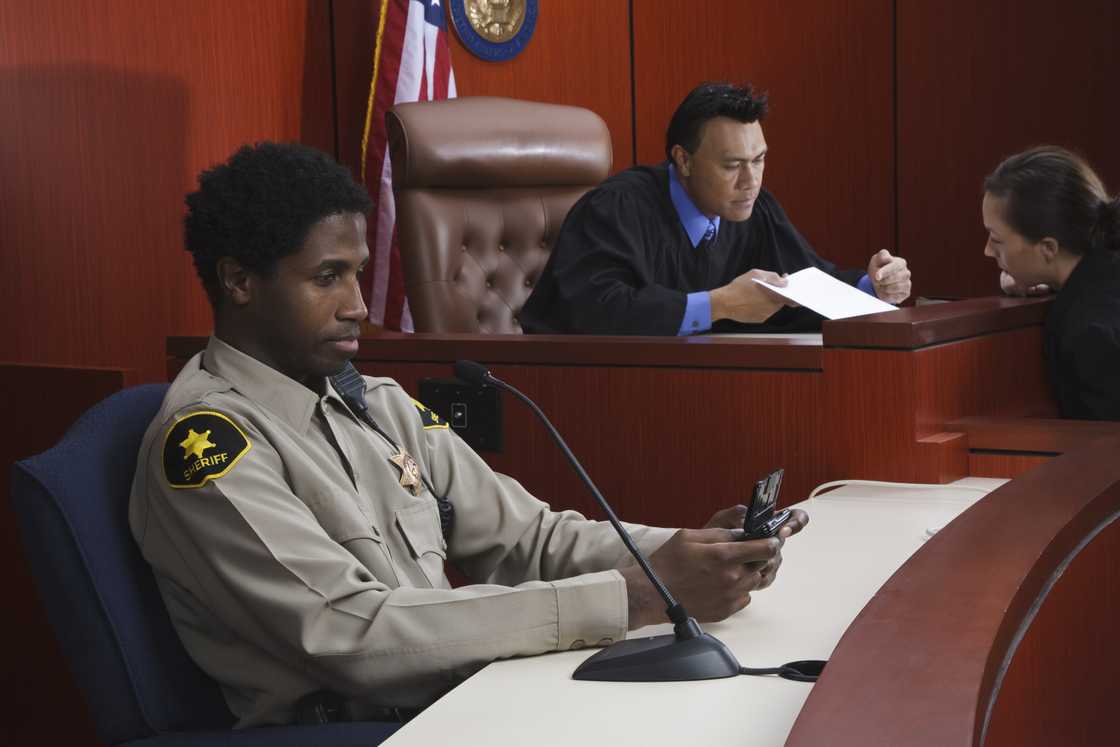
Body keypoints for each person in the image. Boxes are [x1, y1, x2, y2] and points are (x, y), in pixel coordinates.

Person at [129, 142, 809, 728]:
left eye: (358, 273)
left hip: (466, 699)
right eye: (326, 277)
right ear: (239, 281)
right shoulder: (207, 447)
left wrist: (687, 552)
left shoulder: (375, 403)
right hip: (363, 729)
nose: (358, 306)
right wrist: (635, 592)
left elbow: (527, 537)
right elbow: (355, 634)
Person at [520, 82, 912, 335]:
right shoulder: (617, 208)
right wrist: (719, 304)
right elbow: (597, 312)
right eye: (732, 165)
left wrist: (871, 287)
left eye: (758, 160)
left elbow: (803, 281)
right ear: (684, 160)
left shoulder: (750, 206)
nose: (751, 180)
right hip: (567, 388)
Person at [982, 145, 1120, 420]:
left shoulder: (1090, 331)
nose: (987, 251)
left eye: (997, 240)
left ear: (1048, 248)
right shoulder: (1103, 275)